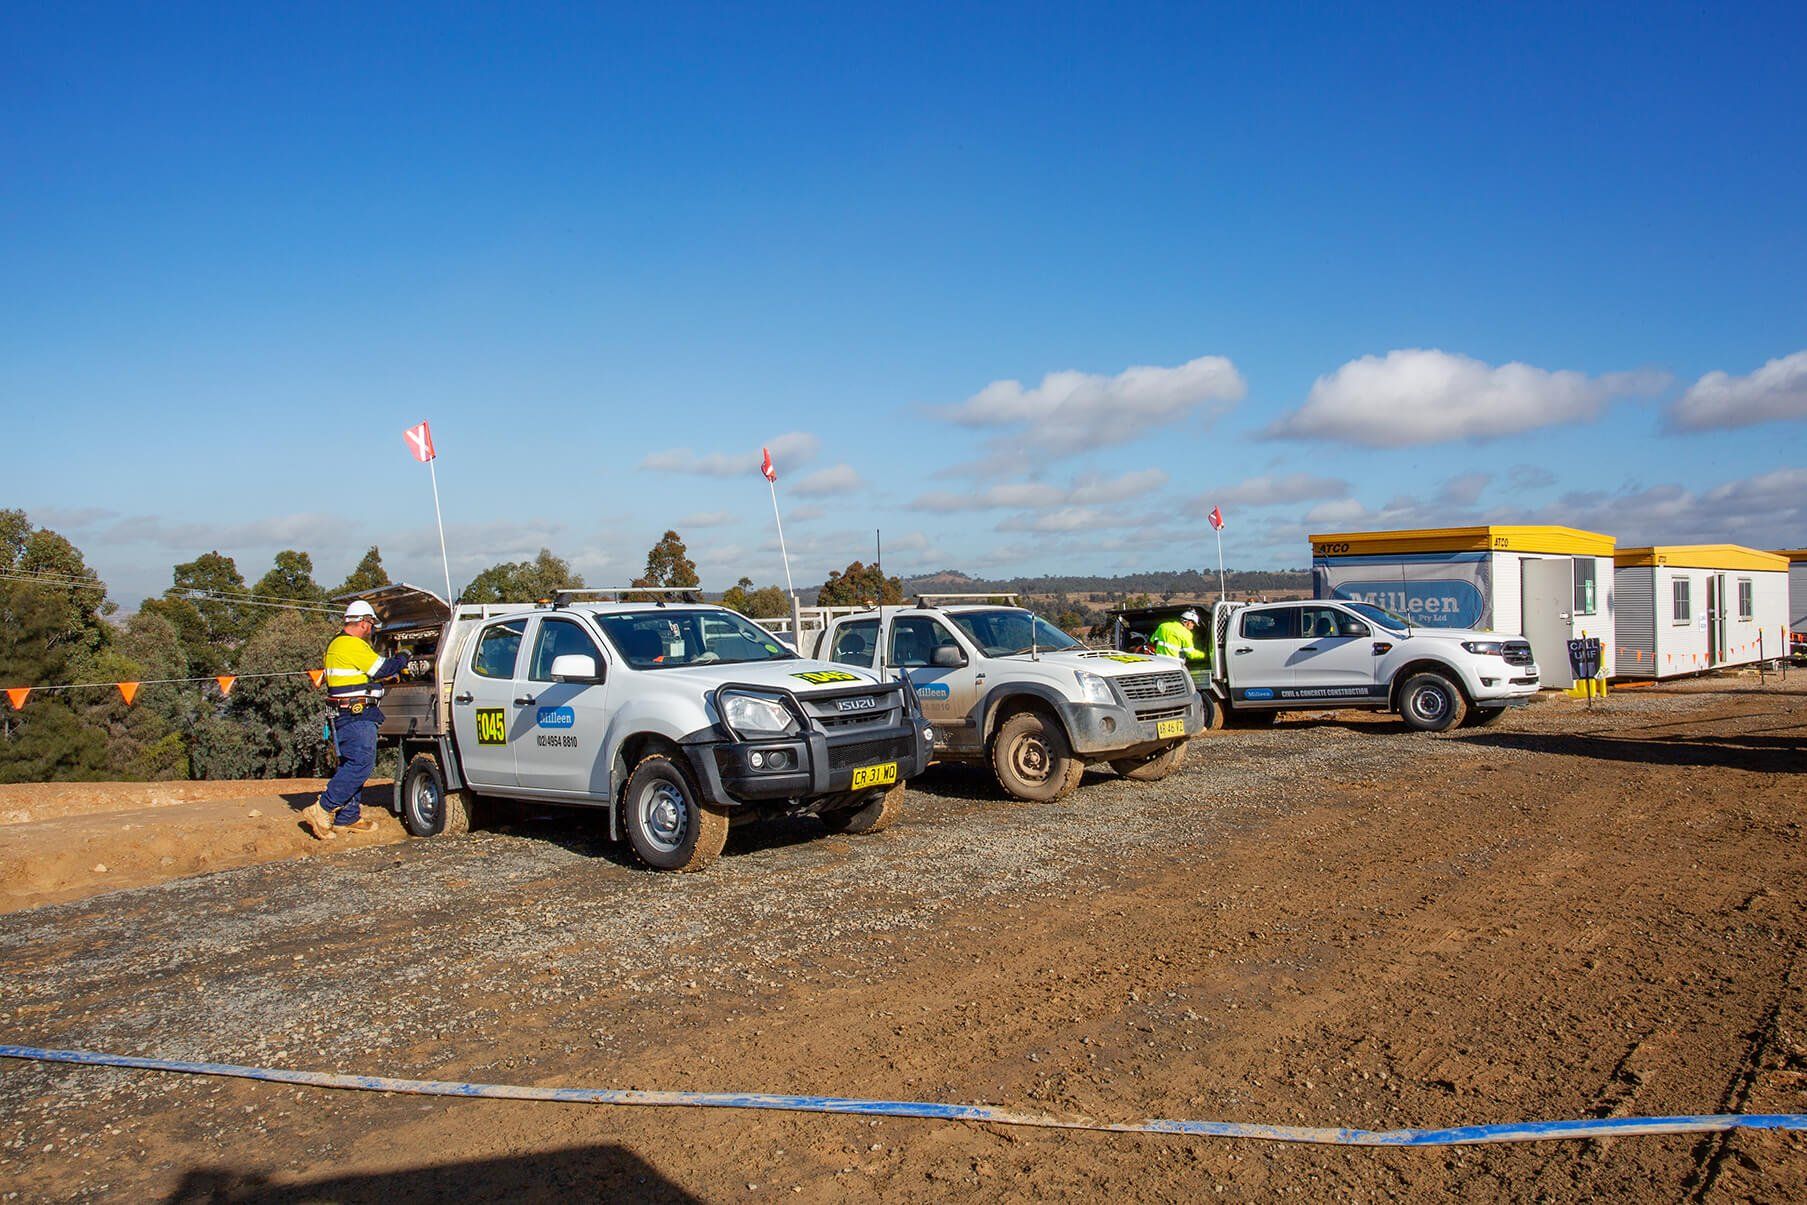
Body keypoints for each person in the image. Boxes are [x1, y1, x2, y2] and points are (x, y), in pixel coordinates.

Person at [302, 600, 409, 840]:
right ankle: (323, 808)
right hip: (355, 714)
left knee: (351, 762)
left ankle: (347, 817)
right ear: (364, 622)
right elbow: (383, 668)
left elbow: (356, 678)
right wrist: (405, 655)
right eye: (371, 624)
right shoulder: (350, 645)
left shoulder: (337, 644)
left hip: (347, 713)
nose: (371, 630)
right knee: (360, 763)